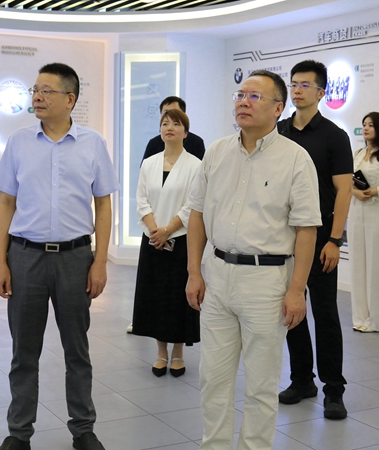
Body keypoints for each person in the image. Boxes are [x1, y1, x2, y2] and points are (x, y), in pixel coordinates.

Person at [185, 70, 320, 450]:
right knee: (213, 379)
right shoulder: (217, 152)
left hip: (267, 281)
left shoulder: (295, 159)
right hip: (217, 275)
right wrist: (194, 272)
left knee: (261, 384)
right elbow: (196, 214)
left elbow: (307, 229)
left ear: (278, 108)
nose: (243, 102)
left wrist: (297, 290)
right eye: (240, 95)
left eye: (254, 96)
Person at [0, 63, 118, 450]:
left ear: (70, 99)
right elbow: (6, 203)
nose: (37, 97)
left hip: (75, 258)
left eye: (46, 91)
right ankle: (19, 433)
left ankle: (83, 429)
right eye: (35, 90)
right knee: (23, 353)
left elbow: (104, 205)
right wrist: (0, 261)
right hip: (25, 257)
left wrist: (100, 262)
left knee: (77, 351)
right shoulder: (19, 142)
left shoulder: (93, 143)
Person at [276, 60, 352, 420]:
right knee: (292, 310)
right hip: (284, 237)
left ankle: (333, 390)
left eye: (305, 85)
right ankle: (301, 379)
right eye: (294, 83)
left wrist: (335, 239)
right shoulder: (278, 131)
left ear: (321, 92)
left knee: (325, 314)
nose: (297, 89)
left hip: (321, 238)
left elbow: (344, 190)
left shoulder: (334, 136)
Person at [132, 108, 201, 377]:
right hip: (152, 241)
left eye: (175, 123)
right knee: (156, 296)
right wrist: (154, 231)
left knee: (177, 298)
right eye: (164, 123)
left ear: (185, 131)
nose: (169, 127)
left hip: (181, 240)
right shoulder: (149, 163)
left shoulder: (195, 165)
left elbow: (192, 205)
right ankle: (161, 353)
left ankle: (178, 353)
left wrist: (168, 230)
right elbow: (141, 200)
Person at [348, 112, 379, 333]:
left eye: (371, 125)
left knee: (376, 265)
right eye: (364, 124)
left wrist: (371, 192)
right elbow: (347, 180)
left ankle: (375, 320)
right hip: (356, 211)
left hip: (376, 212)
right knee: (357, 264)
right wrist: (355, 192)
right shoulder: (358, 153)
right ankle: (359, 317)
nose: (366, 128)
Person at [141, 96, 206, 162]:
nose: (170, 115)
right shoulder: (153, 144)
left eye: (175, 112)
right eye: (166, 113)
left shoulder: (196, 143)